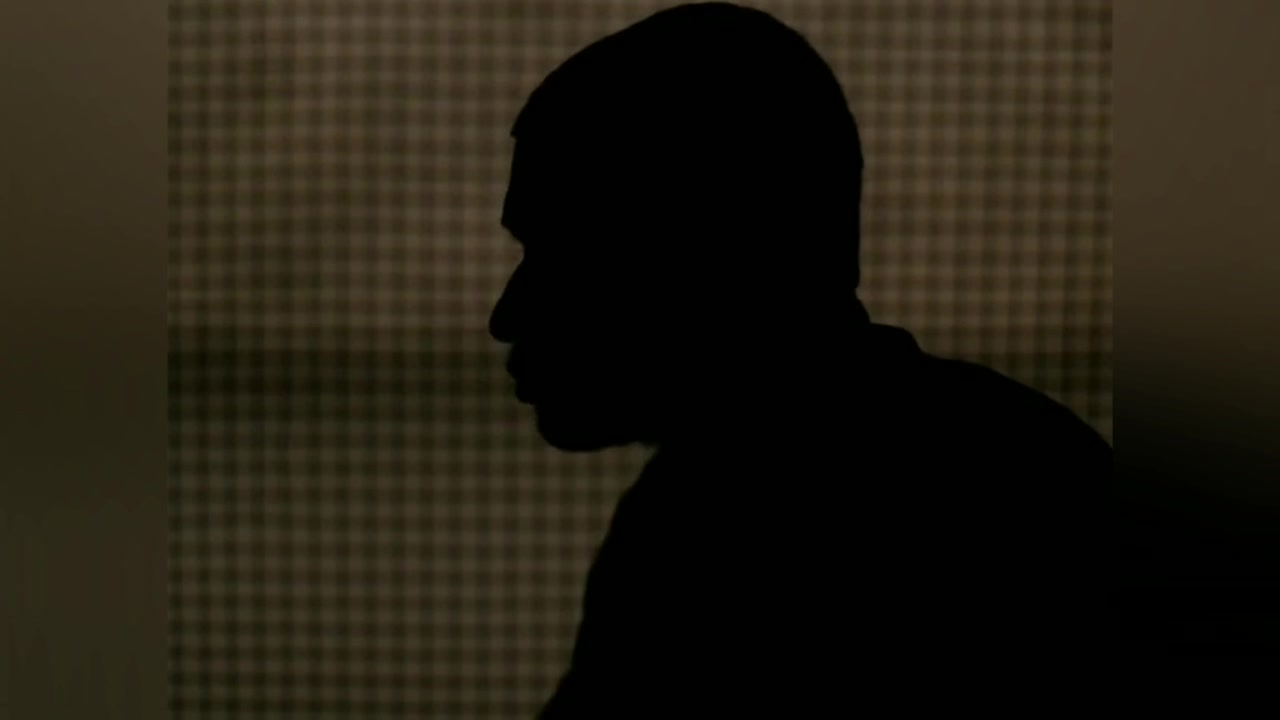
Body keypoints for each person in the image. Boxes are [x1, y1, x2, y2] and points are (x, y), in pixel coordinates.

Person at [487, 3, 1112, 715]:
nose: (508, 314)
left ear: (703, 252)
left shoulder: (701, 537)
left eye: (562, 253)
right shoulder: (1033, 474)